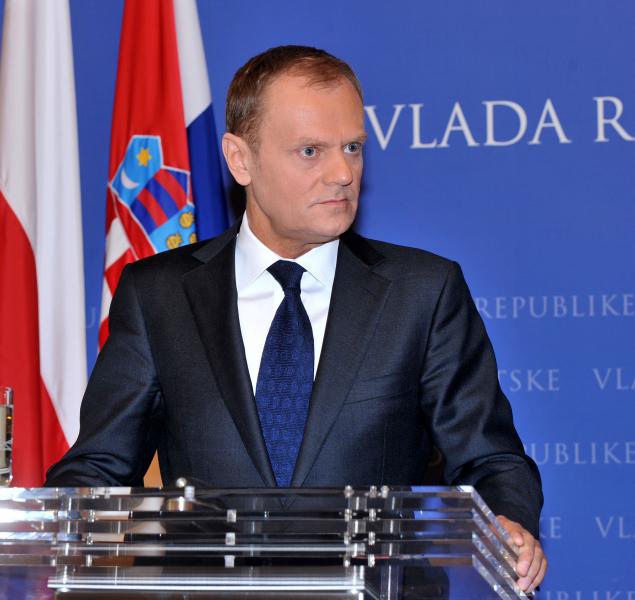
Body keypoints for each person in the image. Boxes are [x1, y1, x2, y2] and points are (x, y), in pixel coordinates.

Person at [45, 45, 546, 591]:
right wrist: (61, 522)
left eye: (352, 147)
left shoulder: (422, 292)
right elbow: (98, 467)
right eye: (311, 151)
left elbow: (491, 459)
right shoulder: (158, 295)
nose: (343, 173)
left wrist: (508, 521)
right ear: (241, 160)